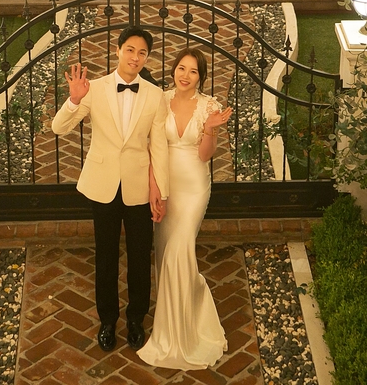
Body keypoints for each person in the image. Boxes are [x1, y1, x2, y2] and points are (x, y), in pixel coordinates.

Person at [50, 26, 169, 352]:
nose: (135, 57)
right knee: (105, 257)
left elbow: (159, 146)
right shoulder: (95, 89)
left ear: (147, 58)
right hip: (102, 186)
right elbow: (58, 128)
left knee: (140, 258)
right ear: (118, 51)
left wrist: (160, 190)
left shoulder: (155, 95)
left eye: (142, 53)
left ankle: (136, 319)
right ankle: (107, 320)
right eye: (130, 50)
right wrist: (74, 99)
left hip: (138, 187)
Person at [137, 47, 233, 370]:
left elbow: (205, 155)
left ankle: (183, 334)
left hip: (193, 188)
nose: (185, 75)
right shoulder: (160, 100)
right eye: (181, 68)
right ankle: (174, 317)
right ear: (173, 70)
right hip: (166, 186)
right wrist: (155, 189)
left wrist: (210, 128)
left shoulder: (209, 106)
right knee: (165, 253)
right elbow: (152, 148)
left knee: (179, 252)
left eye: (193, 71)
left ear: (200, 77)